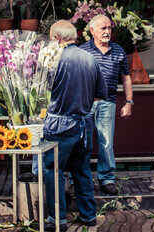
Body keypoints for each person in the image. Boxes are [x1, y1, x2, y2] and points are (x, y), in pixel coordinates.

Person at [42, 20, 108, 231]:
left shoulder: (55, 59)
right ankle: (88, 215)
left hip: (60, 125)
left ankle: (57, 219)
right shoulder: (90, 57)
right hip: (84, 124)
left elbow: (41, 91)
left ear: (56, 38)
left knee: (53, 170)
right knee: (82, 170)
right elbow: (101, 94)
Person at [79, 14, 133, 196]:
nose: (107, 32)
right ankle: (80, 179)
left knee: (106, 143)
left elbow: (126, 78)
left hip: (107, 103)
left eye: (109, 28)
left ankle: (107, 179)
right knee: (82, 142)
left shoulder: (118, 51)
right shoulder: (82, 50)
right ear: (92, 31)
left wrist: (128, 102)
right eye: (103, 28)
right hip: (84, 105)